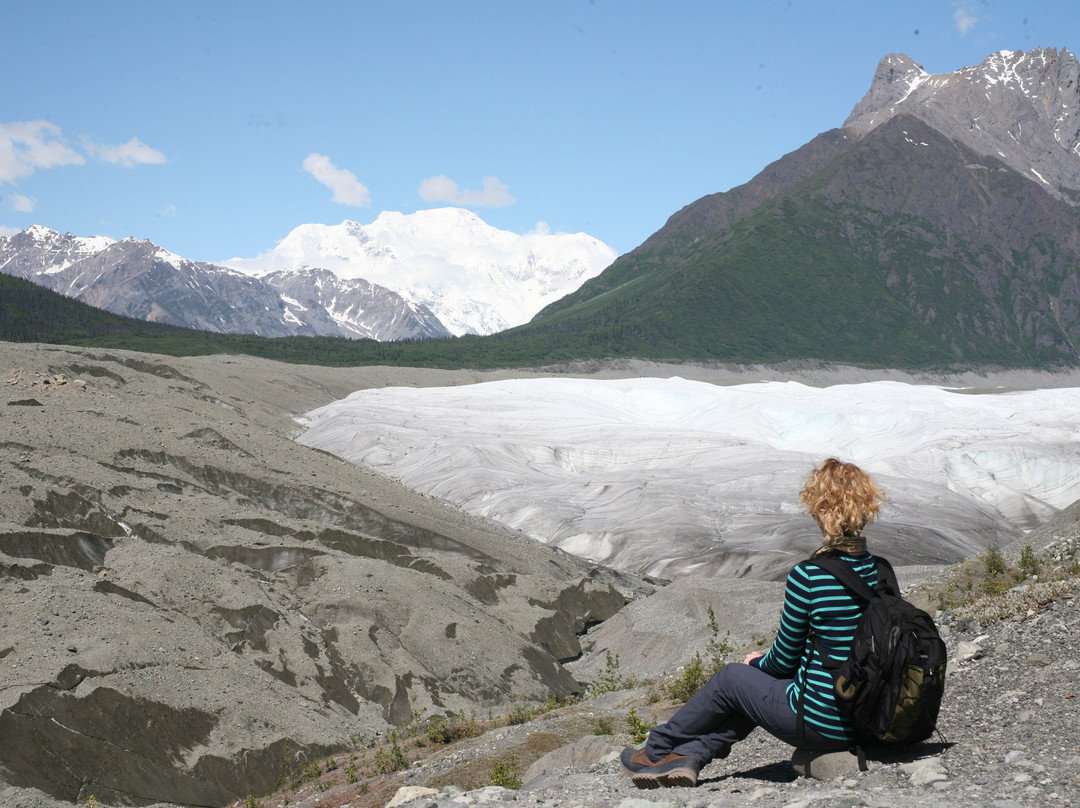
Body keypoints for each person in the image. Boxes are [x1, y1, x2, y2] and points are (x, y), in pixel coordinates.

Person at [621, 457, 887, 788]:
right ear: (866, 507)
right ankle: (692, 755)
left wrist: (755, 663)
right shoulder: (882, 571)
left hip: (822, 722)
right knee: (753, 691)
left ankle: (656, 750)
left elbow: (783, 660)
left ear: (820, 509)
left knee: (734, 677)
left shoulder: (810, 576)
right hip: (873, 717)